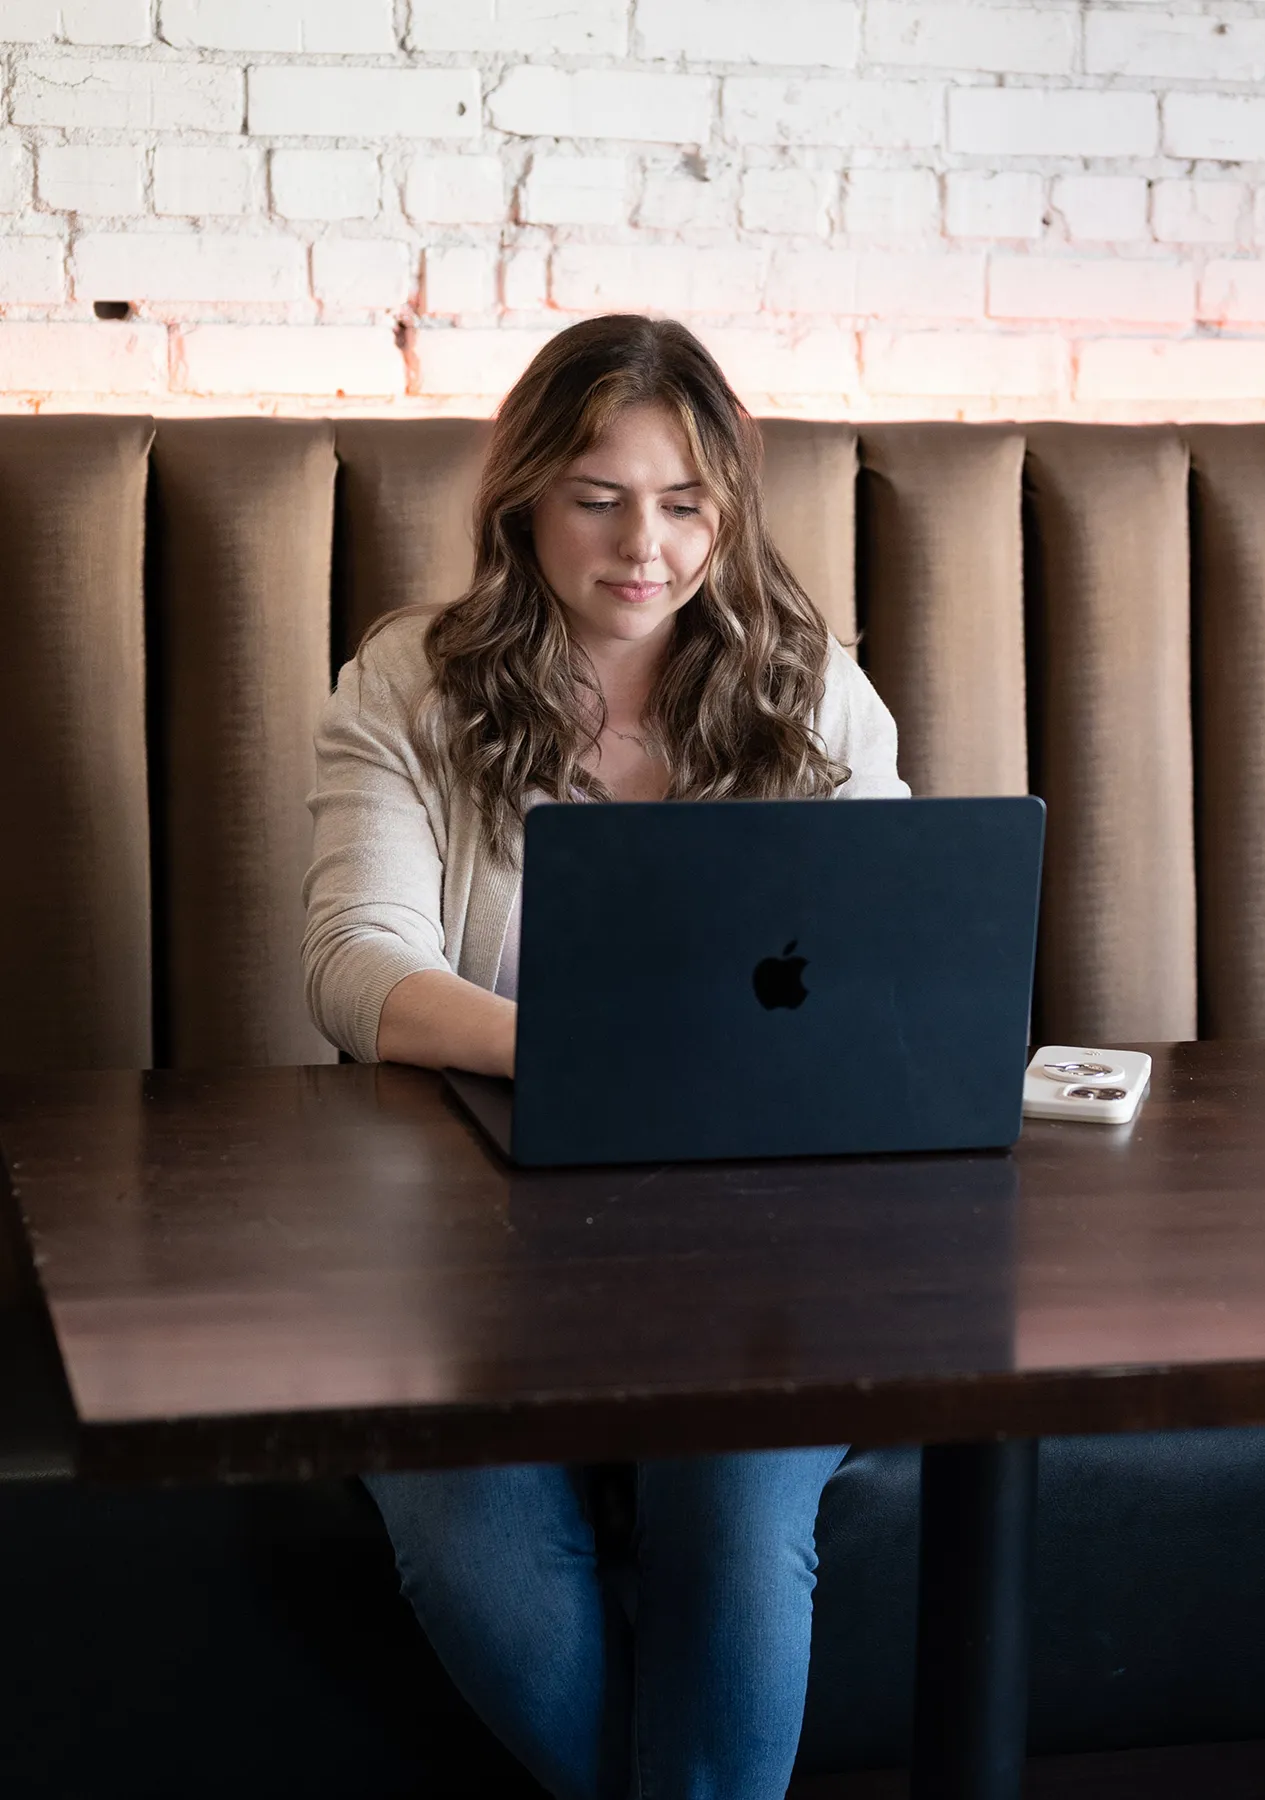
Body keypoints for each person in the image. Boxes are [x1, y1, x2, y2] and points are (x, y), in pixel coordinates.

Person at [300, 314, 909, 1800]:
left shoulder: (811, 688)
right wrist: (597, 1051)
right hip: (463, 1248)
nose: (648, 544)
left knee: (733, 1485)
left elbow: (900, 956)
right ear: (523, 500)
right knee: (466, 1523)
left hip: (766, 1255)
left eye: (688, 502)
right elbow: (353, 966)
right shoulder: (409, 683)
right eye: (600, 497)